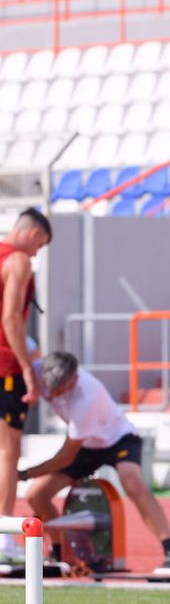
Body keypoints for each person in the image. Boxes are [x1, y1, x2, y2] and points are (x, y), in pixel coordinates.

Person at [17, 351, 170, 569]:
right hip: (87, 445)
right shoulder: (37, 370)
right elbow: (24, 346)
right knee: (36, 495)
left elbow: (66, 456)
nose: (52, 394)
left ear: (74, 379)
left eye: (59, 389)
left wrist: (23, 474)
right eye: (50, 388)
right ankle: (58, 552)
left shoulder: (86, 398)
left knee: (132, 482)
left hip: (118, 439)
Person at [0, 209, 51, 564]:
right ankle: (4, 536)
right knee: (8, 451)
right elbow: (10, 320)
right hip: (5, 365)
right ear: (32, 234)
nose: (36, 253)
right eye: (39, 245)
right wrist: (27, 369)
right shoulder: (18, 261)